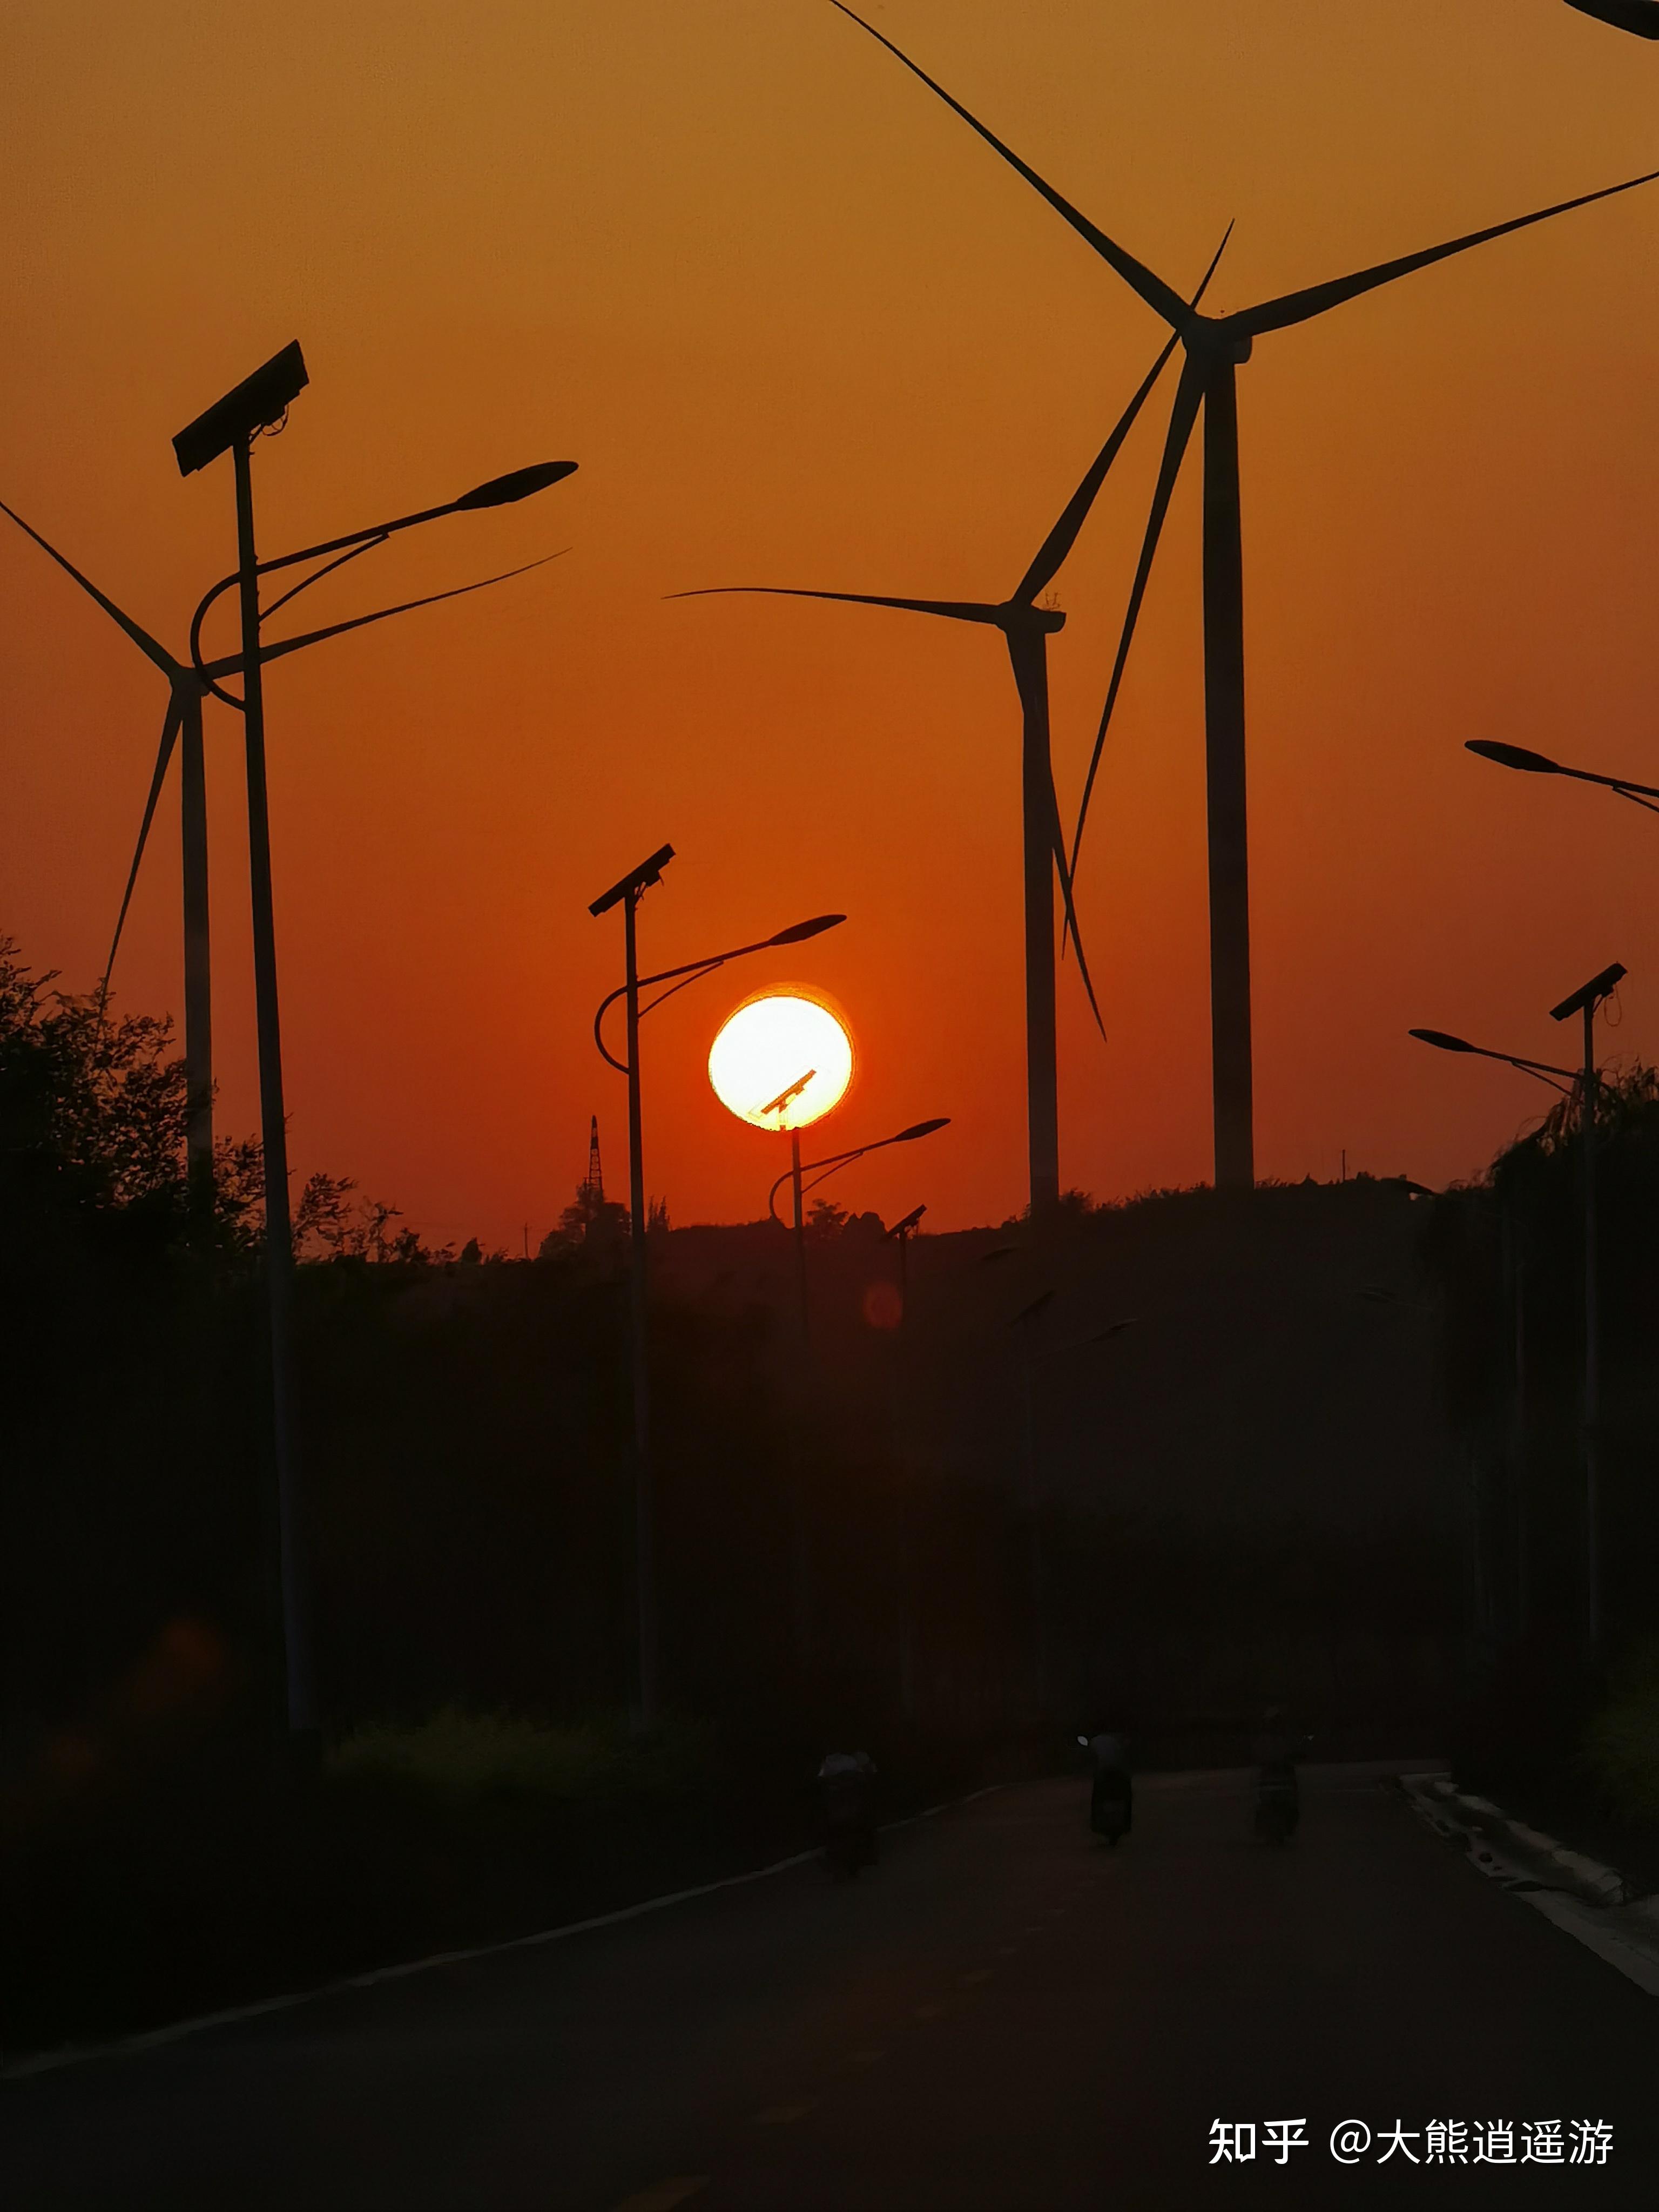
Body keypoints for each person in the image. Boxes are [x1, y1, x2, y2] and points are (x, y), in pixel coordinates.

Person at [1084, 1728, 1132, 1837]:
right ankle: (1126, 1824)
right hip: (1120, 1772)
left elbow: (1091, 1761)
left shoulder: (1094, 1742)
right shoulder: (1118, 1739)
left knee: (1097, 1797)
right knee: (1127, 1796)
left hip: (1105, 1772)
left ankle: (1097, 1823)